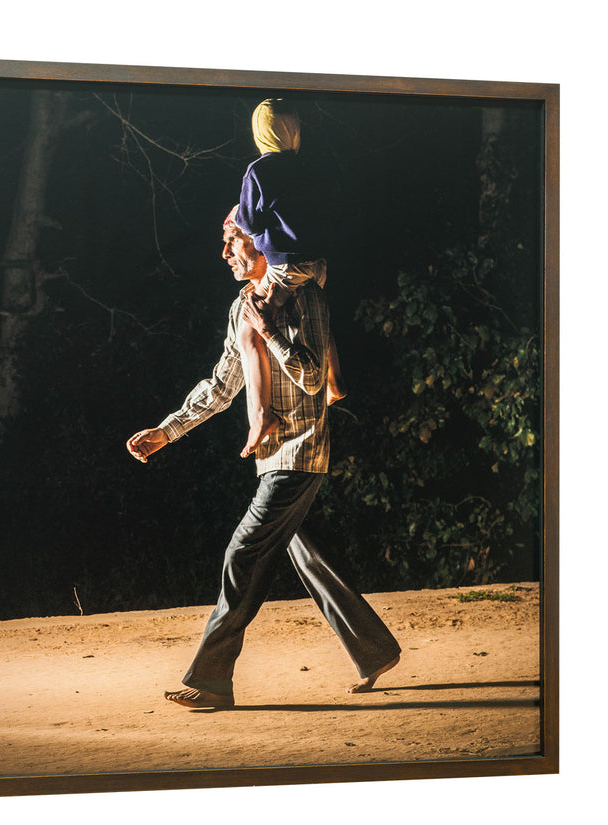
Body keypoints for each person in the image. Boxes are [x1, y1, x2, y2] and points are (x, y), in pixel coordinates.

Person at [125, 207, 400, 709]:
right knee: (310, 556)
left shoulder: (304, 296)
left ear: (262, 246)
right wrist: (168, 432)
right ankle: (375, 649)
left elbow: (314, 380)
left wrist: (271, 330)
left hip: (300, 450)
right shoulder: (239, 308)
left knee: (242, 553)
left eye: (233, 241)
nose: (224, 252)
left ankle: (210, 680)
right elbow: (222, 384)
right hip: (273, 455)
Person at [234, 98, 346, 459]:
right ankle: (335, 381)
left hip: (286, 265)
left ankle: (261, 416)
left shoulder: (260, 171)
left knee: (250, 324)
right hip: (318, 262)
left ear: (260, 132)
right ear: (294, 131)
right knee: (318, 317)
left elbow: (249, 224)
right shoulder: (310, 166)